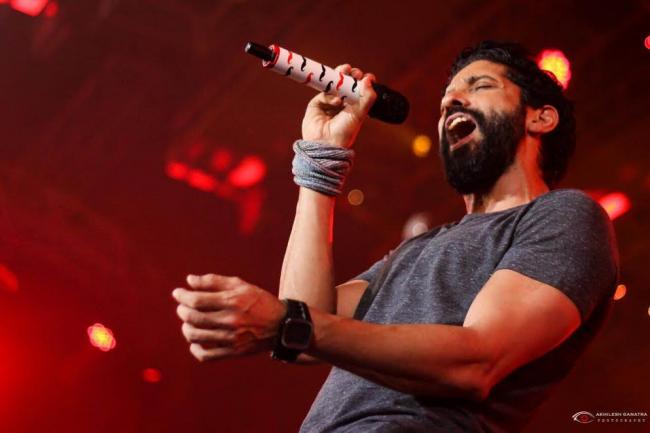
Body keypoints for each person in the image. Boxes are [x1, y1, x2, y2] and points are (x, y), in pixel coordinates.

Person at [172, 41, 619, 432]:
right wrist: (322, 158)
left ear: (541, 117)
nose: (452, 102)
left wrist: (290, 323)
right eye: (445, 102)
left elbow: (476, 361)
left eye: (480, 86)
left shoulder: (564, 216)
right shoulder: (414, 251)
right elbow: (306, 322)